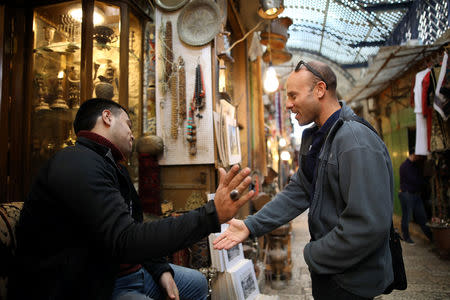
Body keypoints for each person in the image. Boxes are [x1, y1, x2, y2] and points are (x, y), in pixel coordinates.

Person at [9, 98, 253, 300]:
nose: (132, 134)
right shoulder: (76, 163)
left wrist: (160, 270)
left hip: (126, 272)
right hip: (89, 284)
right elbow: (125, 241)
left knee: (196, 283)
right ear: (107, 117)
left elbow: (133, 229)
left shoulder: (112, 166)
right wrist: (212, 215)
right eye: (128, 124)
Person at [214, 60, 395, 300]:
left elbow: (367, 225)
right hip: (331, 275)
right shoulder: (318, 138)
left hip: (351, 282)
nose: (288, 104)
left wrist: (313, 254)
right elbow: (298, 191)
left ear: (320, 90)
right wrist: (251, 225)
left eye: (293, 95)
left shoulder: (355, 142)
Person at [399, 148, 433, 244]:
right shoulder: (405, 166)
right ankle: (406, 237)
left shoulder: (416, 166)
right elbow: (413, 180)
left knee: (422, 217)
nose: (419, 158)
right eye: (418, 155)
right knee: (407, 217)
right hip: (407, 194)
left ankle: (432, 238)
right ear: (413, 154)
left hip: (416, 194)